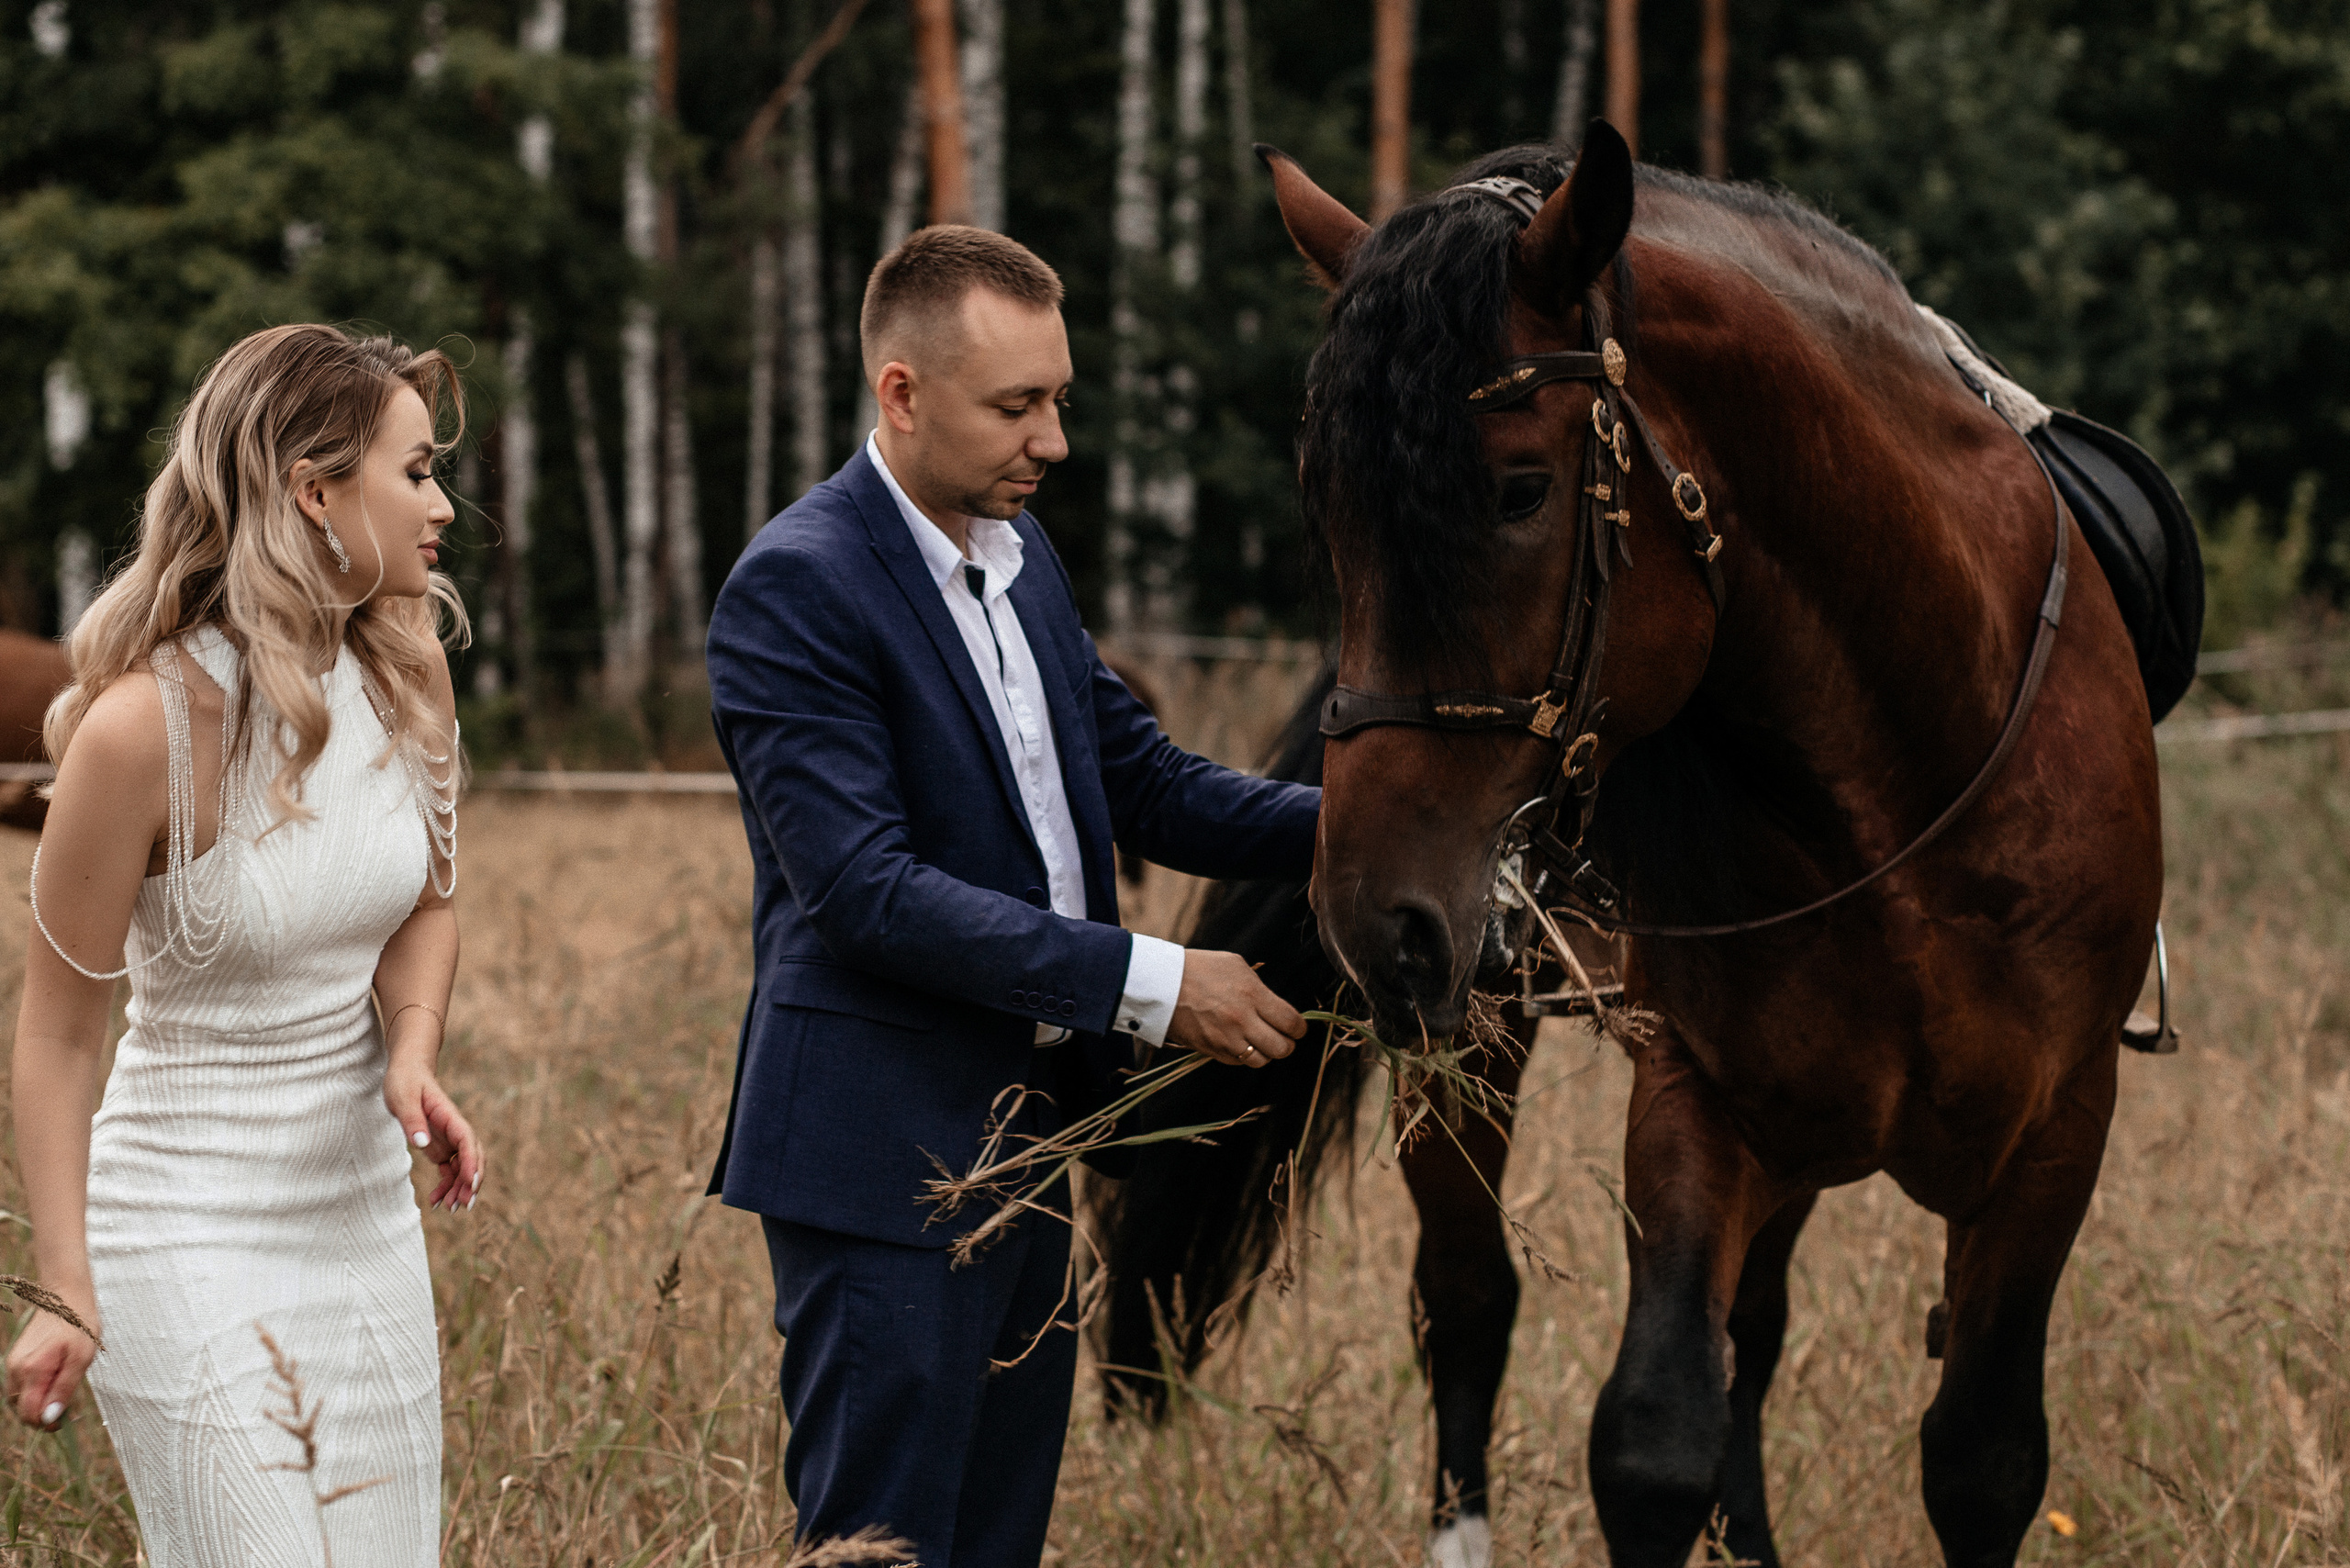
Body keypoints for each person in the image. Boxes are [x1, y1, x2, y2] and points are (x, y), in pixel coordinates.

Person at [705, 225, 1321, 1566]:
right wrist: (1156, 984)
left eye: (1060, 400)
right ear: (902, 392)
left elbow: (1147, 782)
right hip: (883, 1159)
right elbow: (865, 893)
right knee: (882, 1547)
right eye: (1016, 406)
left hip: (1033, 1140)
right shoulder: (796, 587)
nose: (1052, 440)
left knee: (996, 1545)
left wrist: (1366, 834)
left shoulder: (1022, 559)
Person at [6, 324, 485, 1565]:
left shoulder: (407, 665)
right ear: (315, 491)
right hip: (186, 1231)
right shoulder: (139, 731)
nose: (440, 503)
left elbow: (430, 901)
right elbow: (59, 1034)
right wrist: (65, 1288)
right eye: (415, 470)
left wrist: (411, 1054)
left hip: (365, 1228)